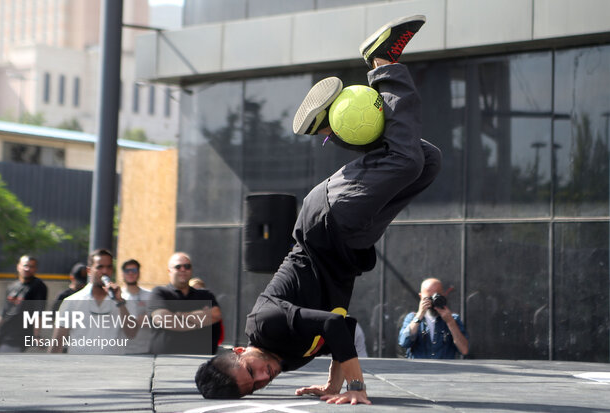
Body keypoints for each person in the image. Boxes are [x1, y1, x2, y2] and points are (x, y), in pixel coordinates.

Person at [195, 15, 441, 406]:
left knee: (404, 162)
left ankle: (383, 62)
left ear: (239, 352)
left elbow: (330, 324)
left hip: (329, 223)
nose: (264, 377)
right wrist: (331, 385)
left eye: (251, 373)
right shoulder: (284, 358)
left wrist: (355, 389)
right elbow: (342, 326)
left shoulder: (266, 326)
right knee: (426, 161)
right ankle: (332, 125)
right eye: (258, 386)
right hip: (347, 244)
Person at [49, 248, 137, 354]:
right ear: (89, 271)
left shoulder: (124, 300)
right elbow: (57, 343)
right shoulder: (72, 301)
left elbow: (131, 333)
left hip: (113, 367)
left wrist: (120, 302)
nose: (105, 271)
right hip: (80, 366)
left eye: (109, 267)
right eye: (100, 267)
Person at [148, 252, 223, 355]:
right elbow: (163, 319)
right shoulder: (159, 292)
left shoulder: (205, 294)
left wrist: (178, 315)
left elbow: (215, 315)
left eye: (187, 266)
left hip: (201, 360)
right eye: (178, 267)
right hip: (166, 361)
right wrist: (200, 320)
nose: (183, 269)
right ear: (169, 271)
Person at [398, 278, 469, 359]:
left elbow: (464, 350)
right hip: (419, 369)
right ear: (421, 297)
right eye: (429, 298)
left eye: (436, 297)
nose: (433, 302)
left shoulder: (453, 319)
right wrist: (419, 315)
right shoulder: (412, 318)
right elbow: (404, 343)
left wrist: (450, 322)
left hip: (445, 369)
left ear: (443, 295)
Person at [0, 255, 47, 352]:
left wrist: (36, 335)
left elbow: (38, 313)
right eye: (25, 265)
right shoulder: (12, 286)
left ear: (35, 269)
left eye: (31, 266)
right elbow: (3, 311)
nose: (27, 268)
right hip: (2, 334)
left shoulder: (38, 286)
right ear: (18, 266)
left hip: (18, 336)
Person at [120, 259, 152, 354]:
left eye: (134, 270)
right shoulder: (118, 296)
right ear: (122, 274)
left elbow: (154, 319)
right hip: (123, 350)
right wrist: (140, 320)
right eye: (127, 271)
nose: (130, 273)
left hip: (145, 349)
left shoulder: (149, 295)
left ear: (139, 273)